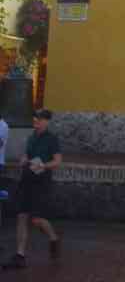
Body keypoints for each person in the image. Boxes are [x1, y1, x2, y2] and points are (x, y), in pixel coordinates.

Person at [2, 109, 62, 270]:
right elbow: (26, 155)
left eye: (39, 120)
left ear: (47, 121)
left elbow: (57, 161)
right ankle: (20, 255)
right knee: (21, 216)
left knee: (36, 219)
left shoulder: (52, 139)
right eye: (35, 119)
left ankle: (53, 238)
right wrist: (23, 159)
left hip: (41, 183)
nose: (36, 122)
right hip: (27, 179)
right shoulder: (31, 137)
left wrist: (44, 165)